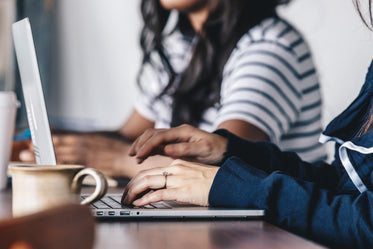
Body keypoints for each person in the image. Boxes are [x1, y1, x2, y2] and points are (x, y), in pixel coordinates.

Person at [122, 1, 373, 247]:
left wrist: (229, 184)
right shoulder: (178, 44)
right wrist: (228, 150)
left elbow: (365, 224)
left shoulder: (270, 44)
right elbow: (345, 187)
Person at [20, 0, 325, 177]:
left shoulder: (270, 46)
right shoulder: (180, 45)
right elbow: (129, 137)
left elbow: (228, 167)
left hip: (270, 234)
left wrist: (114, 159)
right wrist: (59, 142)